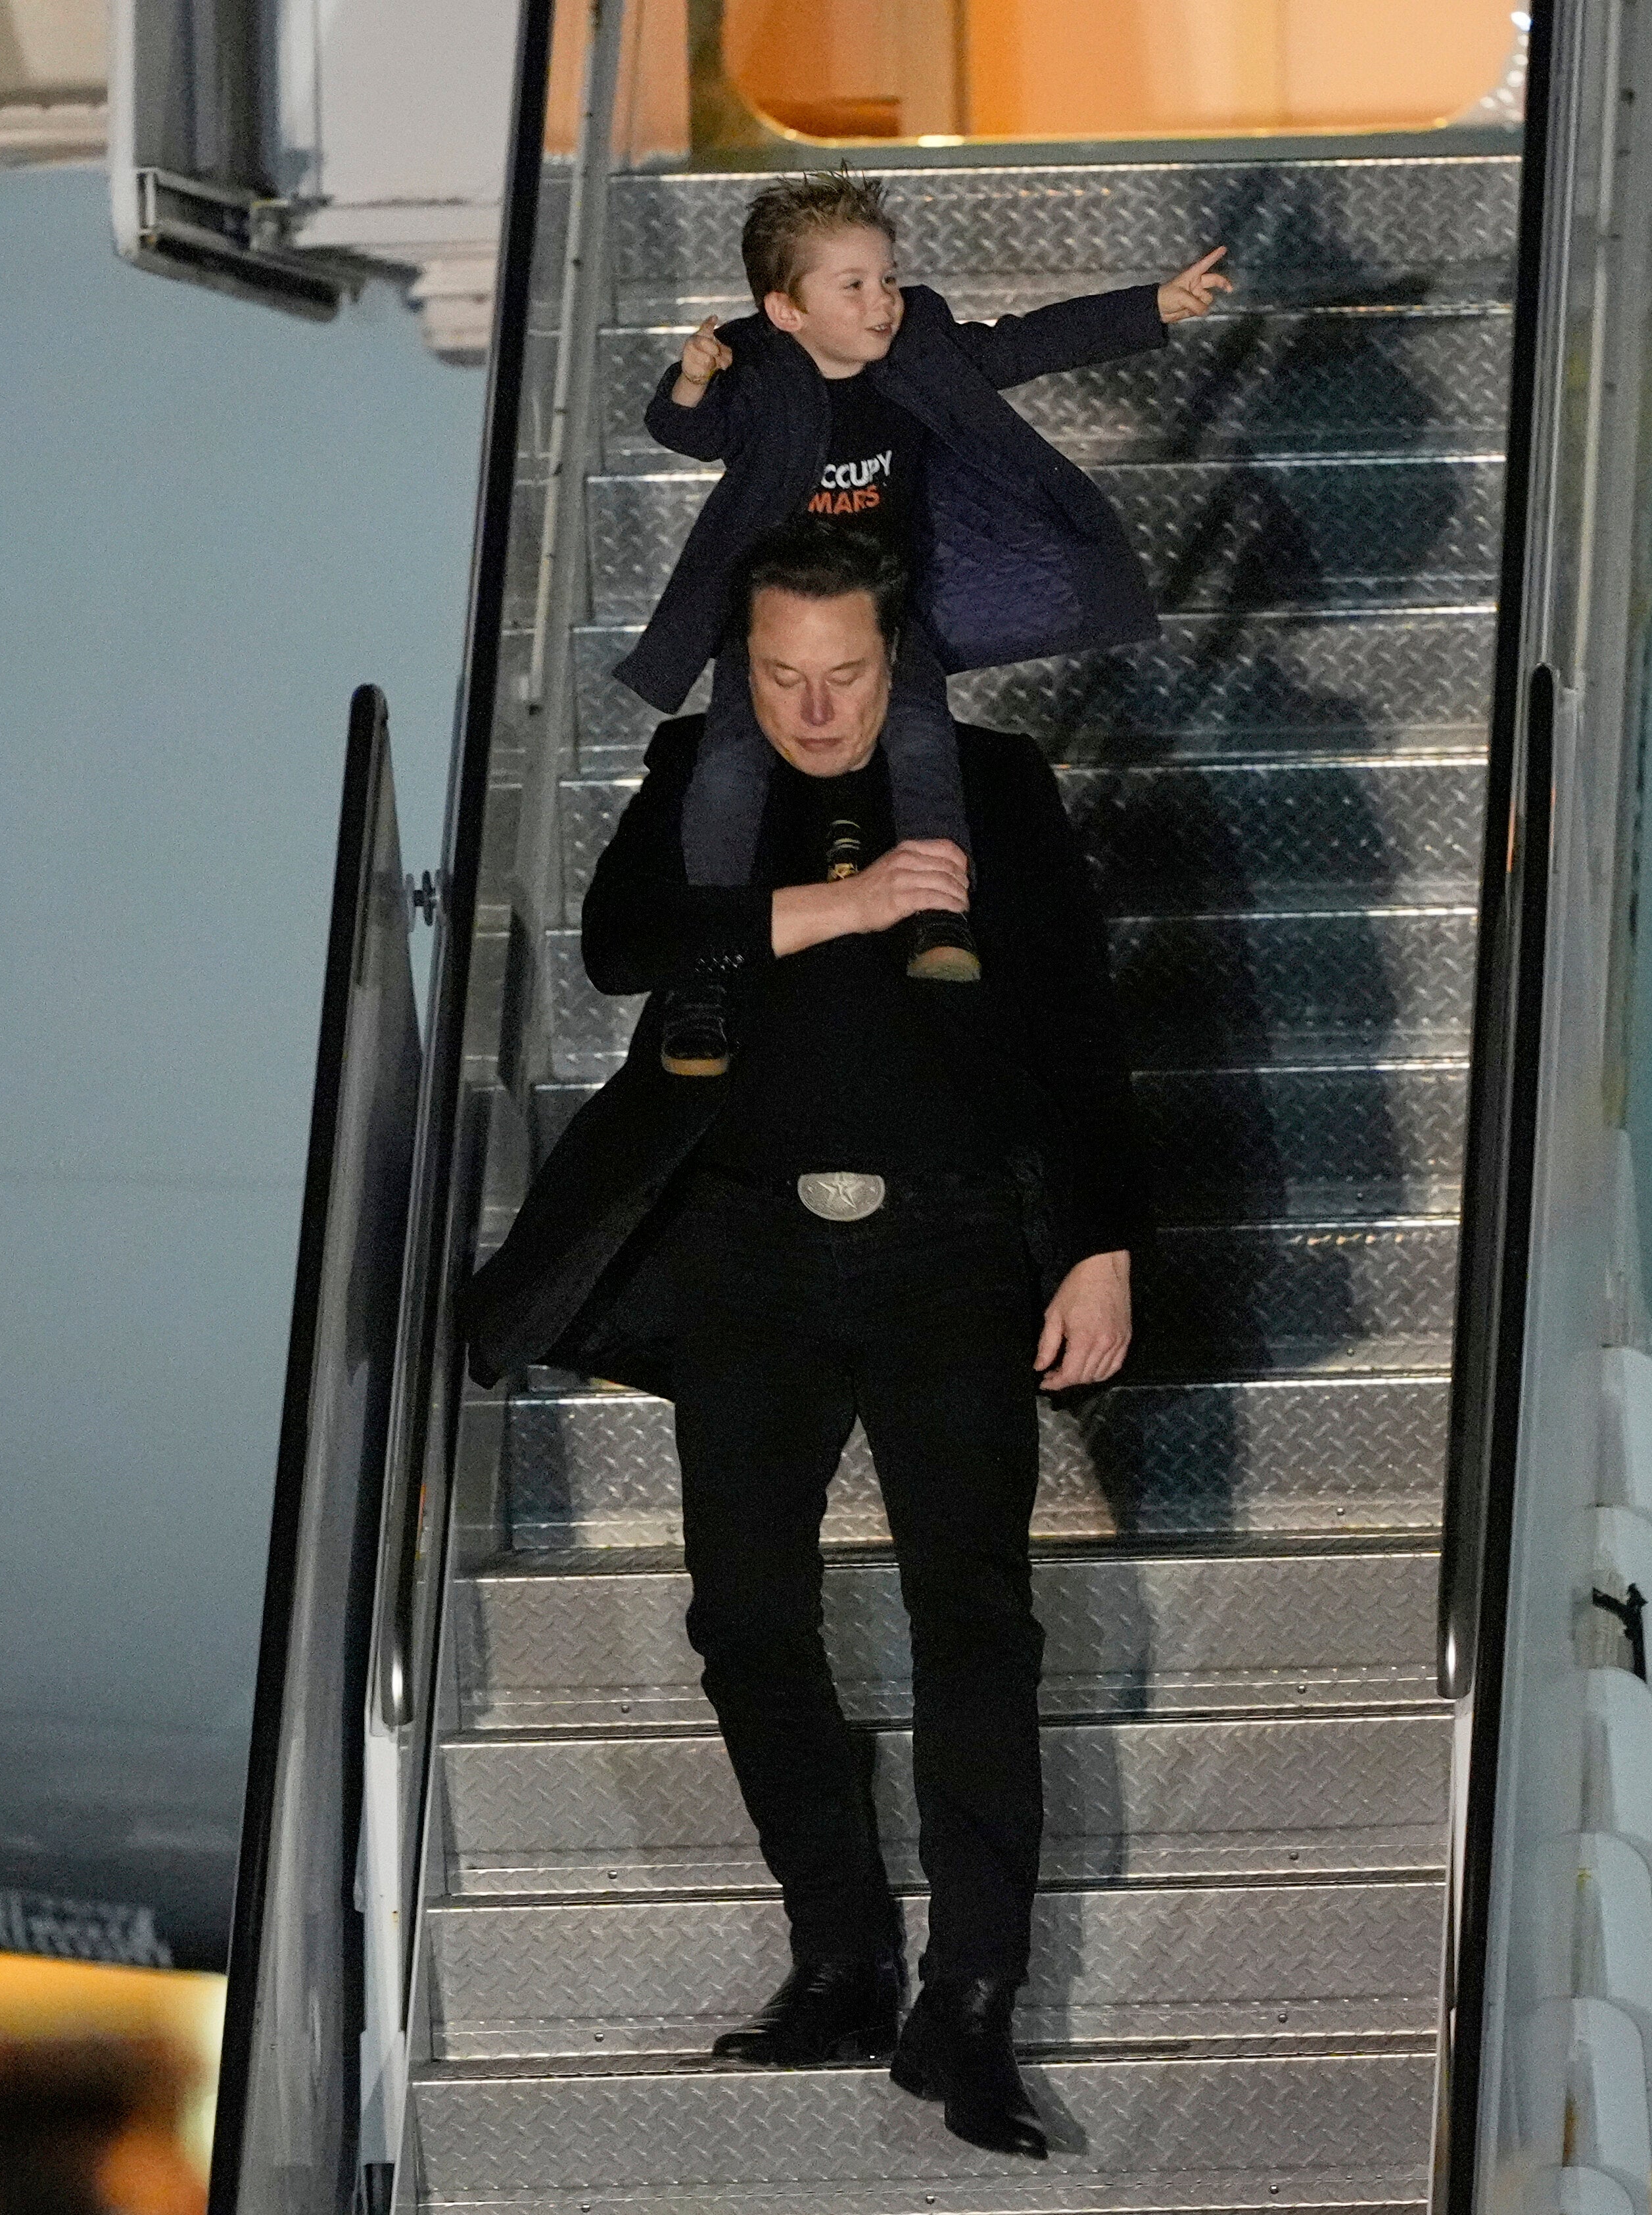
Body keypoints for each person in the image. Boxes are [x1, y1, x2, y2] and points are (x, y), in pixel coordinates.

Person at [461, 517, 1149, 2160]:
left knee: (973, 1615)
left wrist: (1106, 1243)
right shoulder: (703, 767)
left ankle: (970, 2001)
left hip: (952, 1246)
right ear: (739, 657)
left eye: (844, 675)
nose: (814, 708)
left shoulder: (996, 786)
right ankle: (842, 1952)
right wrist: (836, 904)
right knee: (748, 1613)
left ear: (895, 657)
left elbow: (1077, 1033)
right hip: (748, 1246)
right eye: (780, 674)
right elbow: (625, 946)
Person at [621, 167, 1231, 1058]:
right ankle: (704, 972)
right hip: (771, 619)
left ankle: (938, 914)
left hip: (883, 608)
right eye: (855, 286)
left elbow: (1023, 344)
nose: (882, 303)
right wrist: (691, 380)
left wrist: (1155, 307)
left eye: (888, 279)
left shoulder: (919, 345)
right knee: (728, 762)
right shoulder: (755, 370)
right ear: (786, 311)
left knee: (920, 736)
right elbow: (691, 433)